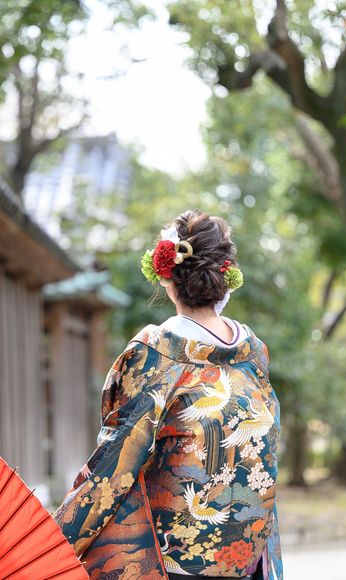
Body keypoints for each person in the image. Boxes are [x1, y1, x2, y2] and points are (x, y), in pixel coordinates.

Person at [53, 210, 283, 580]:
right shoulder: (253, 354)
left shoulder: (155, 354)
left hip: (168, 564)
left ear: (166, 276)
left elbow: (113, 466)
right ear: (226, 276)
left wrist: (50, 546)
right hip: (245, 559)